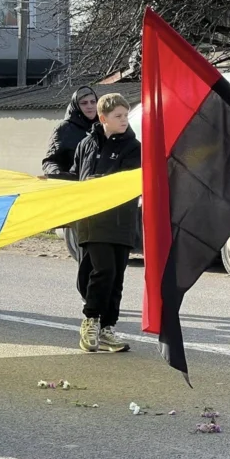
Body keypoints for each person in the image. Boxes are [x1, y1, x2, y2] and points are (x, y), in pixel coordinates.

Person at [71, 93, 140, 353]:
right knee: (103, 271)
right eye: (118, 116)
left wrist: (96, 182)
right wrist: (52, 179)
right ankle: (90, 319)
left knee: (116, 276)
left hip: (121, 219)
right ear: (103, 119)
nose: (124, 120)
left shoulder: (134, 147)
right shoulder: (86, 144)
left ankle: (108, 328)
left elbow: (127, 181)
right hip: (92, 217)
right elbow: (77, 176)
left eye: (126, 115)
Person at [42, 86, 98, 179]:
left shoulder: (105, 126)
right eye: (84, 103)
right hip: (72, 184)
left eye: (93, 102)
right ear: (76, 105)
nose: (90, 106)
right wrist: (58, 174)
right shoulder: (63, 129)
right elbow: (50, 161)